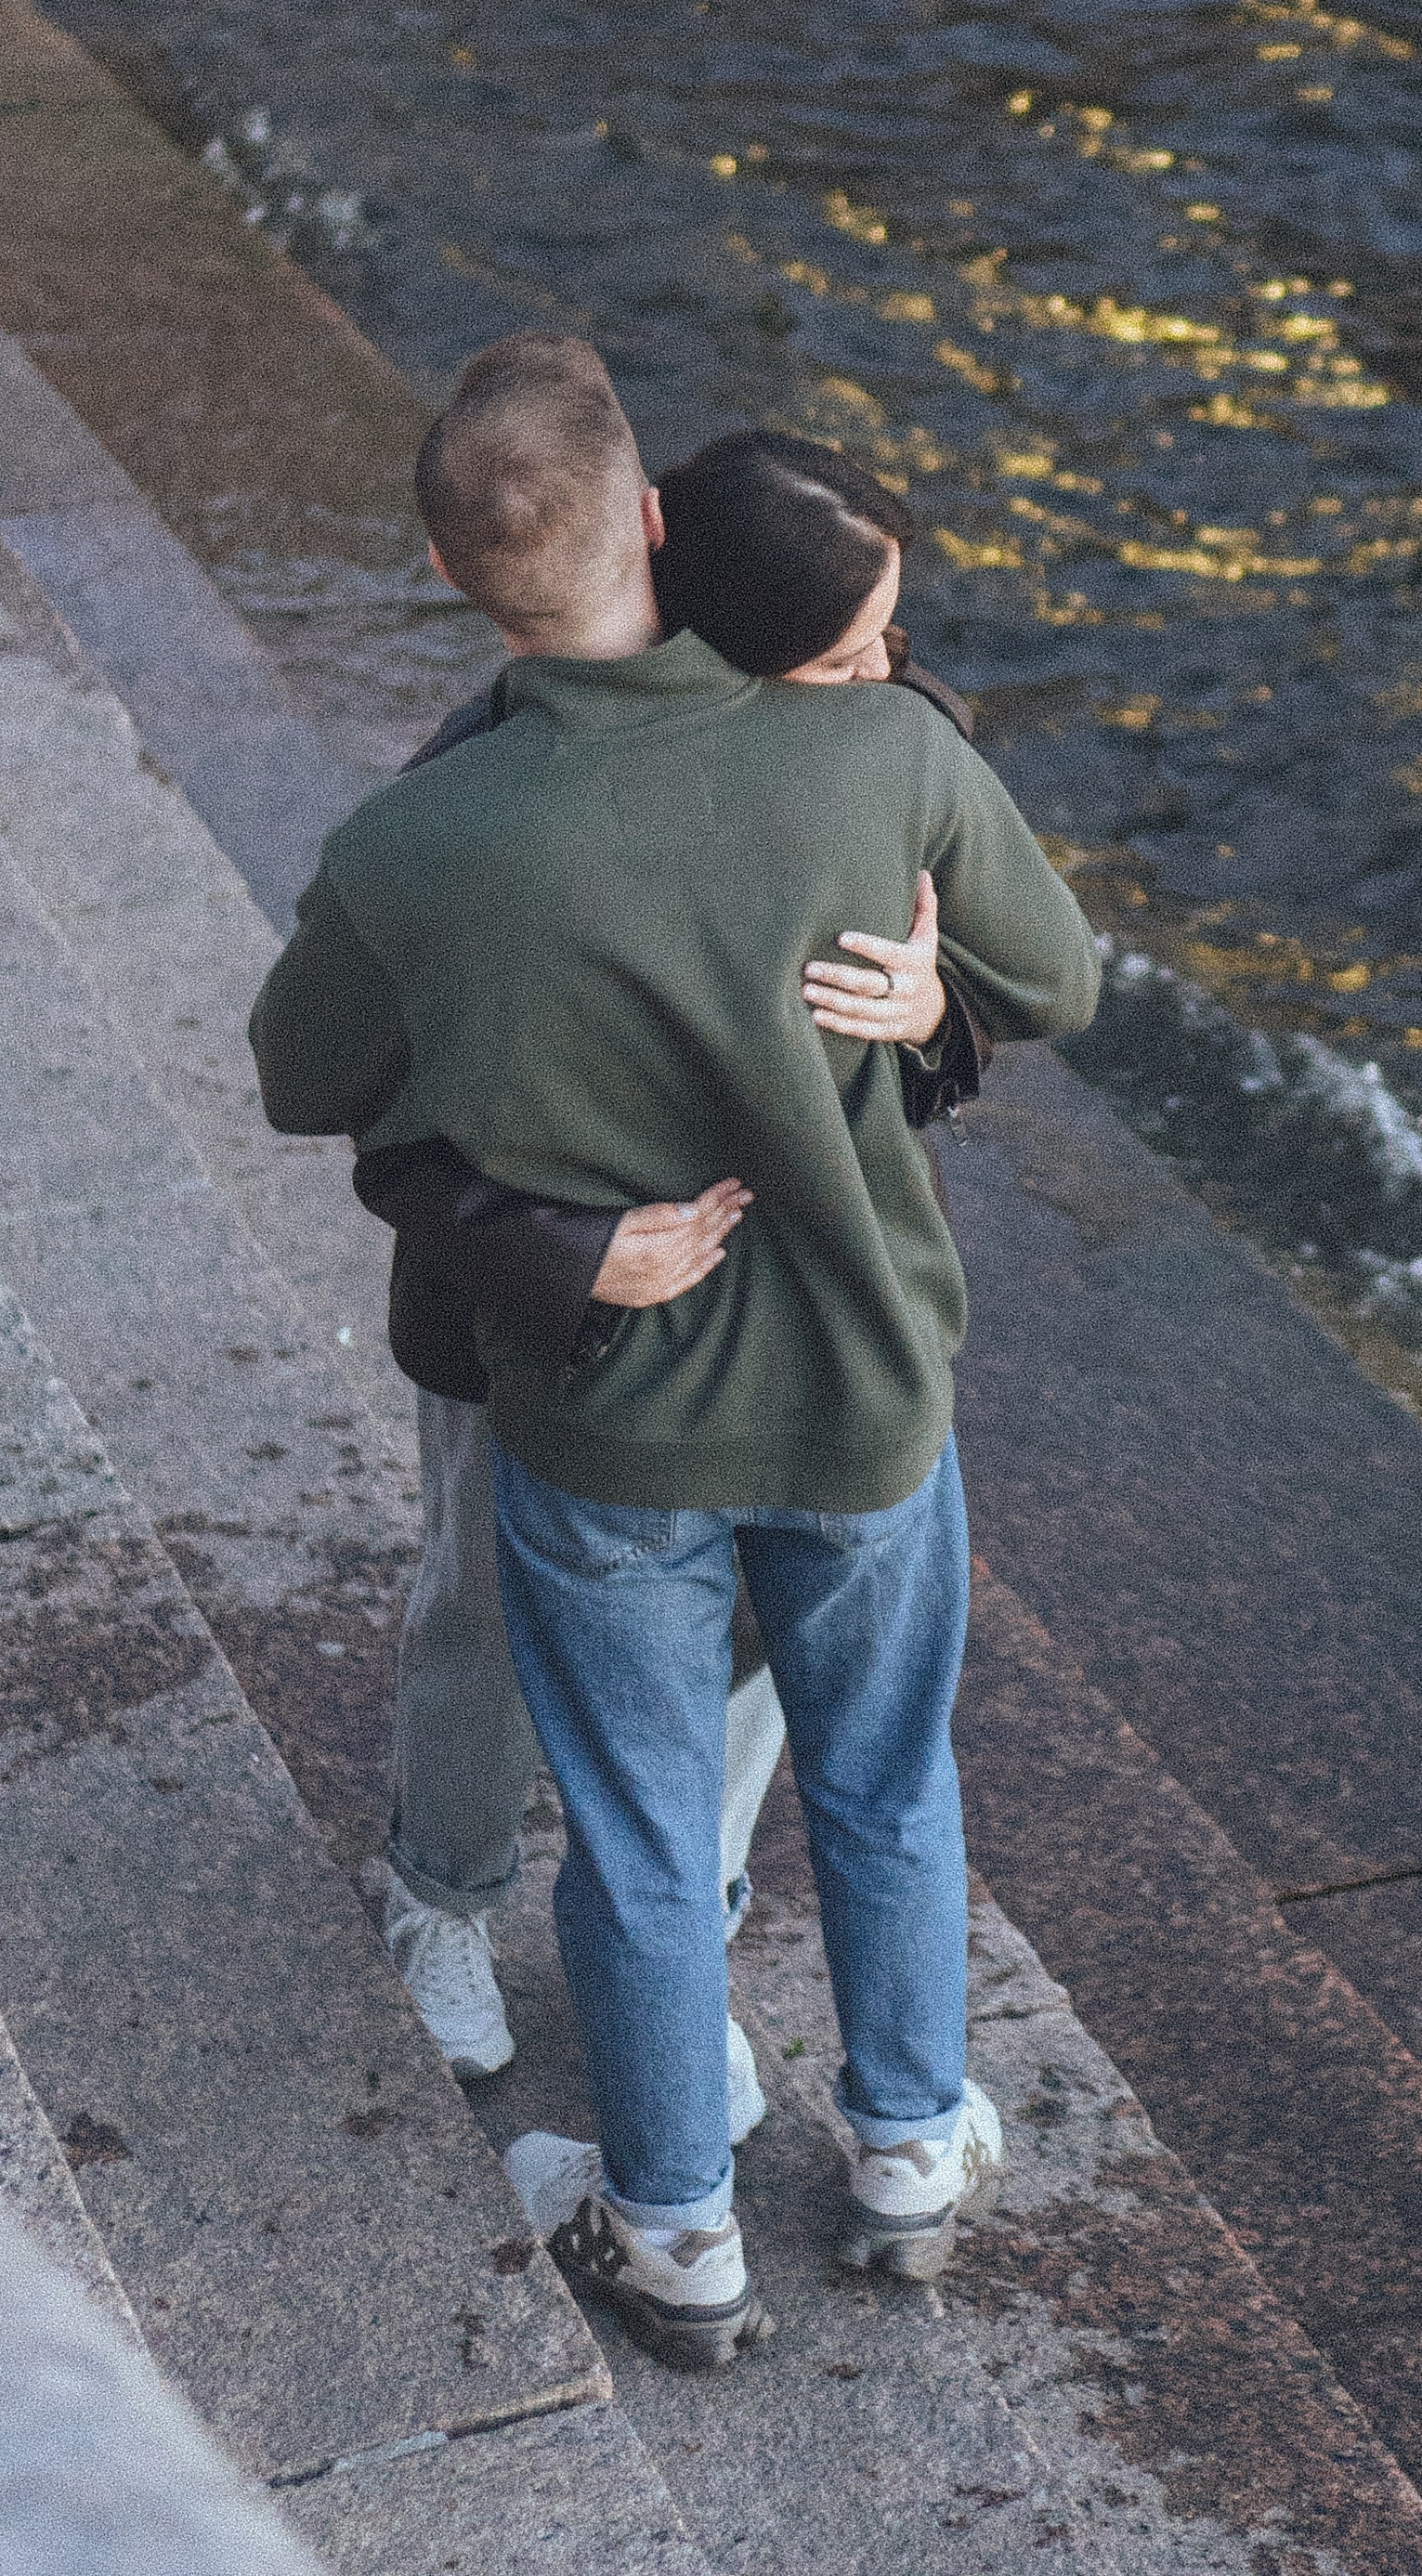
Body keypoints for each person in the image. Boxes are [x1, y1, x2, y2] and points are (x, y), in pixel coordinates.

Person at [251, 339, 1100, 2370]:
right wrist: (922, 1009)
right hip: (862, 1396)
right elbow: (1056, 973)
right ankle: (906, 2153)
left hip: (608, 1422)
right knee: (886, 1785)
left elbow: (305, 1083)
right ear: (652, 522)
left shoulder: (415, 845)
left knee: (634, 1834)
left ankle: (672, 2238)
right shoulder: (877, 755)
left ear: (460, 577)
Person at [361, 436, 985, 2099]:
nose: (884, 684)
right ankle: (442, 1892)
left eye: (888, 650)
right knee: (480, 1617)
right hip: (547, 1320)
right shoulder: (488, 771)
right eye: (849, 655)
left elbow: (988, 954)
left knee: (760, 1655)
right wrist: (559, 1248)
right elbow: (367, 1087)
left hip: (799, 1301)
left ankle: (669, 1938)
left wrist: (938, 1013)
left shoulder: (877, 738)